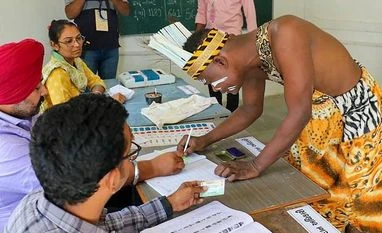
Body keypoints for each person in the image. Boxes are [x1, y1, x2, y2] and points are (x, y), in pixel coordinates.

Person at [158, 15, 382, 232]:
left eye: (209, 80)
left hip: (358, 117)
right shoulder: (251, 58)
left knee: (357, 202)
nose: (215, 88)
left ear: (220, 60)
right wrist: (204, 139)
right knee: (311, 195)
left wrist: (255, 166)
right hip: (320, 120)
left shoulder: (286, 34)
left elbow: (299, 113)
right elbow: (250, 109)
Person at [4, 94, 206, 233]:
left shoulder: (38, 202)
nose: (132, 160)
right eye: (130, 154)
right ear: (113, 178)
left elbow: (109, 225)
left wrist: (169, 203)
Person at [0, 39, 47, 233]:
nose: (45, 91)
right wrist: (145, 168)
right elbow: (71, 184)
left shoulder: (23, 114)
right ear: (12, 95)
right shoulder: (5, 147)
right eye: (36, 88)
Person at [41, 19, 126, 112]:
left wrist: (96, 96)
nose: (77, 45)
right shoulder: (57, 74)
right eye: (69, 41)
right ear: (55, 45)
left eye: (78, 38)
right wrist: (109, 103)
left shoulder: (76, 61)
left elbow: (95, 80)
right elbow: (67, 117)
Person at [195, 0, 257, 112]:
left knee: (232, 76)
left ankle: (232, 113)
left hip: (232, 36)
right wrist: (196, 38)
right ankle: (216, 111)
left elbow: (250, 12)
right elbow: (201, 12)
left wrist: (253, 39)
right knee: (212, 76)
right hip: (211, 37)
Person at [65, 0, 129, 80]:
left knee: (109, 86)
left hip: (110, 47)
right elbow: (70, 14)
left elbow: (125, 11)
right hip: (86, 49)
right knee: (86, 86)